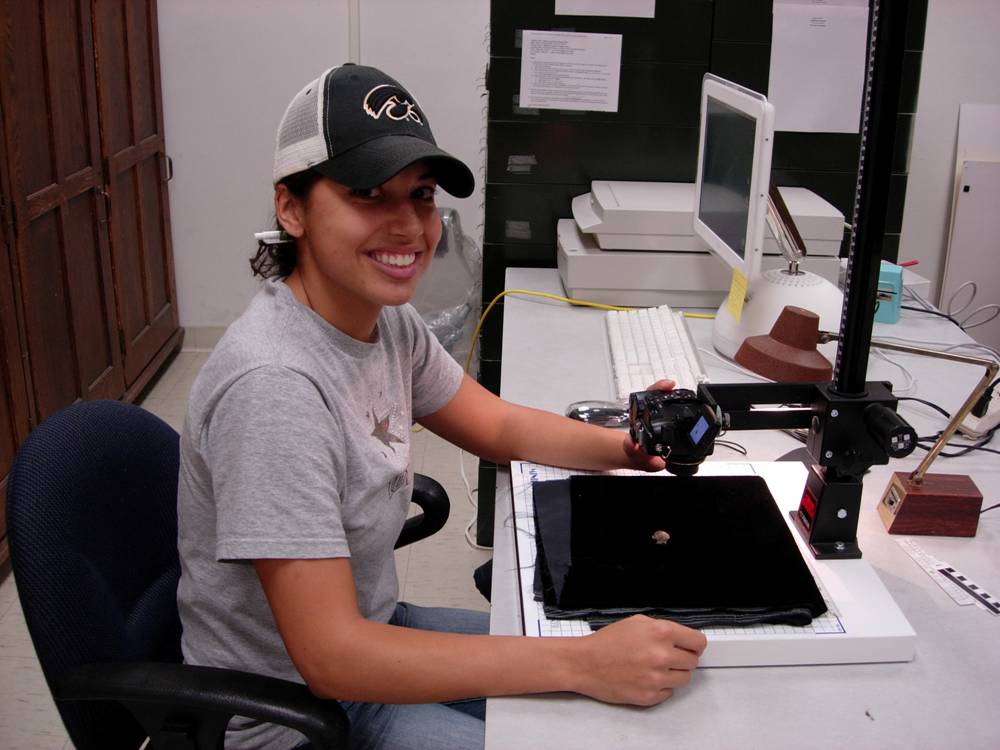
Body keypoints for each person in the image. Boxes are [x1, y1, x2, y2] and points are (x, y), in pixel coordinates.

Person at [176, 63, 707, 750]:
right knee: (585, 685)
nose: (408, 226)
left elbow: (498, 426)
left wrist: (630, 448)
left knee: (615, 685)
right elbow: (331, 657)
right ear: (291, 208)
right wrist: (581, 665)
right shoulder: (274, 387)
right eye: (367, 193)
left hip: (372, 631)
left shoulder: (383, 321)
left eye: (421, 195)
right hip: (293, 715)